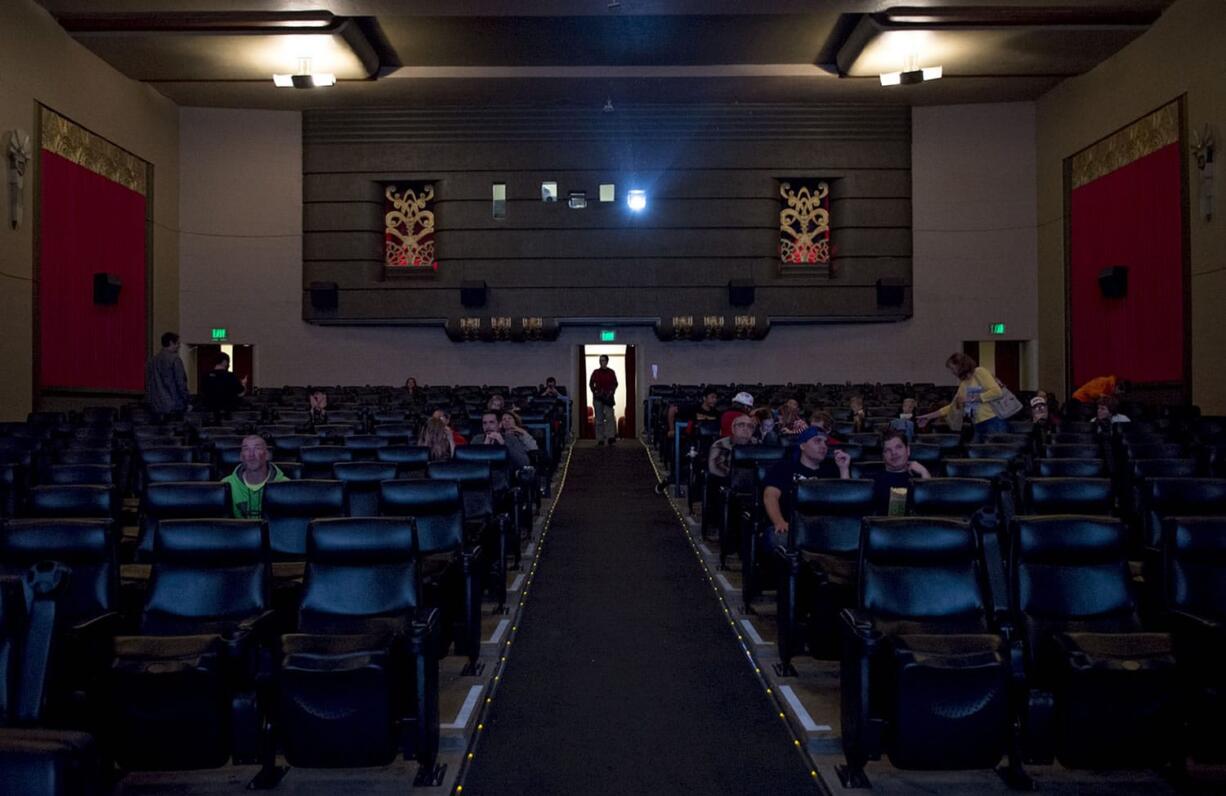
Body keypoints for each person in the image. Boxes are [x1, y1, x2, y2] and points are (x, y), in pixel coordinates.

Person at [761, 427, 851, 550]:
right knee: (777, 539)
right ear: (802, 446)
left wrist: (844, 469)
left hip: (826, 530)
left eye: (825, 442)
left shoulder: (832, 470)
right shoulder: (784, 468)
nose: (824, 446)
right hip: (792, 527)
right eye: (817, 441)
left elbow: (848, 501)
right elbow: (770, 496)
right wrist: (779, 522)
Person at [917, 352, 1011, 439]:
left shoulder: (979, 372)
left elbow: (997, 392)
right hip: (977, 423)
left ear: (961, 365)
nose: (952, 372)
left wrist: (972, 398)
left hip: (993, 420)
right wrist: (929, 417)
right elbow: (952, 406)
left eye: (952, 368)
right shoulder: (963, 384)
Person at [852, 430, 931, 513]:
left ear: (908, 450)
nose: (894, 453)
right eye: (888, 450)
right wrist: (844, 469)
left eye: (898, 447)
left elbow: (930, 510)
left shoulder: (920, 477)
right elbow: (849, 502)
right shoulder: (870, 480)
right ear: (883, 456)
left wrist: (924, 472)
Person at [222, 435, 288, 519]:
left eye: (257, 448)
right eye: (246, 449)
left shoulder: (285, 485)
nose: (251, 455)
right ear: (241, 456)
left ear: (267, 455)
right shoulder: (226, 485)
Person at [145, 331, 191, 417]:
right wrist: (187, 400)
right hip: (174, 406)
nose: (179, 346)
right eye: (177, 343)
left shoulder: (152, 361)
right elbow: (180, 383)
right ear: (171, 343)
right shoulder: (175, 360)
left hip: (155, 406)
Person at [708, 414, 758, 480]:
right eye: (741, 425)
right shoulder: (721, 444)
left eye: (750, 426)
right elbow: (715, 467)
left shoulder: (757, 444)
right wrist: (741, 476)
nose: (745, 429)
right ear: (733, 429)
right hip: (727, 483)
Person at [199, 352, 244, 417]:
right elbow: (240, 393)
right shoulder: (231, 376)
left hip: (210, 411)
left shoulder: (206, 376)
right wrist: (243, 385)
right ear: (224, 362)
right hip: (229, 411)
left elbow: (203, 391)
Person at [590, 355, 618, 446]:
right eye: (600, 360)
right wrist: (595, 392)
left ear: (607, 361)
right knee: (599, 419)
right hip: (598, 398)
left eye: (603, 360)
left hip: (608, 398)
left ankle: (610, 437)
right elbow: (591, 383)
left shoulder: (611, 372)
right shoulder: (596, 372)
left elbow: (615, 384)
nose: (601, 362)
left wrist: (611, 392)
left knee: (610, 417)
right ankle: (600, 438)